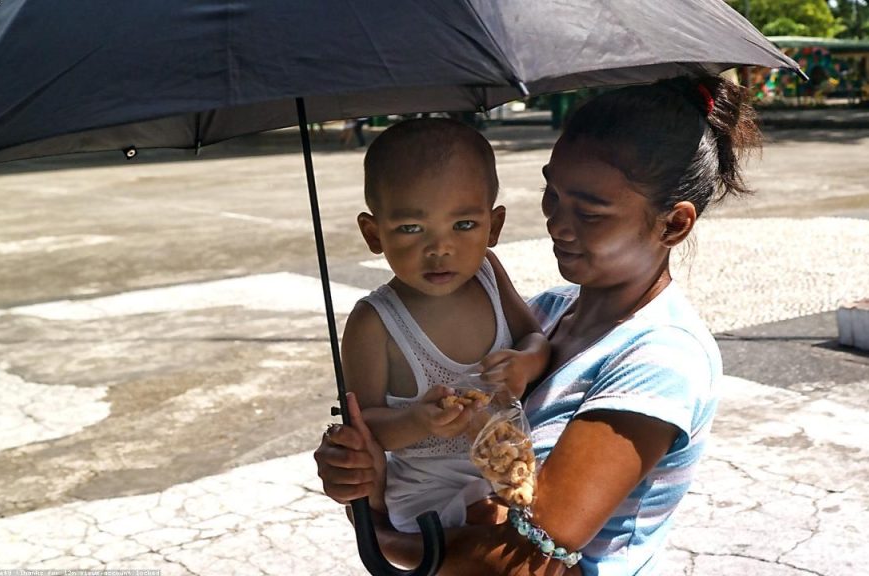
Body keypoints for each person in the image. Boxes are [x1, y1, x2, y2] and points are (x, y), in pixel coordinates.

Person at [315, 75, 761, 575]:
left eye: (590, 213)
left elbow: (526, 564)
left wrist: (382, 535)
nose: (557, 224)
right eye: (553, 194)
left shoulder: (659, 361)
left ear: (674, 224)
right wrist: (363, 478)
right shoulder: (550, 310)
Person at [342, 118, 550, 533]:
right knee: (501, 523)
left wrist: (525, 363)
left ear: (494, 227)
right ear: (373, 233)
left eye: (464, 225)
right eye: (411, 228)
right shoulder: (374, 322)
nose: (439, 248)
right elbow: (365, 428)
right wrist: (419, 421)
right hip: (429, 490)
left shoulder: (488, 274)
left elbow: (535, 338)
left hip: (512, 462)